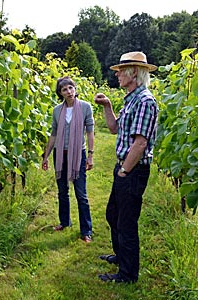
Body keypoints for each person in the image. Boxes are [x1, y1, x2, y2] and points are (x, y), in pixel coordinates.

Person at [94, 51, 159, 283]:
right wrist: (107, 105)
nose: (118, 74)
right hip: (124, 167)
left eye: (121, 71)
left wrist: (124, 171)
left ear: (134, 73)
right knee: (114, 214)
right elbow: (114, 128)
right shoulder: (131, 99)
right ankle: (121, 257)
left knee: (127, 222)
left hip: (132, 170)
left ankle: (128, 274)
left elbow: (140, 143)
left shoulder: (145, 101)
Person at [42, 76, 95, 243]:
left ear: (75, 88)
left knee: (81, 194)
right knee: (62, 192)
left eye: (71, 88)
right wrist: (46, 156)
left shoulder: (86, 107)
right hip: (60, 154)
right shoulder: (57, 110)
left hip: (78, 154)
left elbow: (90, 132)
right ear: (61, 93)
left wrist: (91, 154)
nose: (69, 91)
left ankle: (86, 230)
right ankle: (64, 222)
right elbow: (54, 134)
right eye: (64, 89)